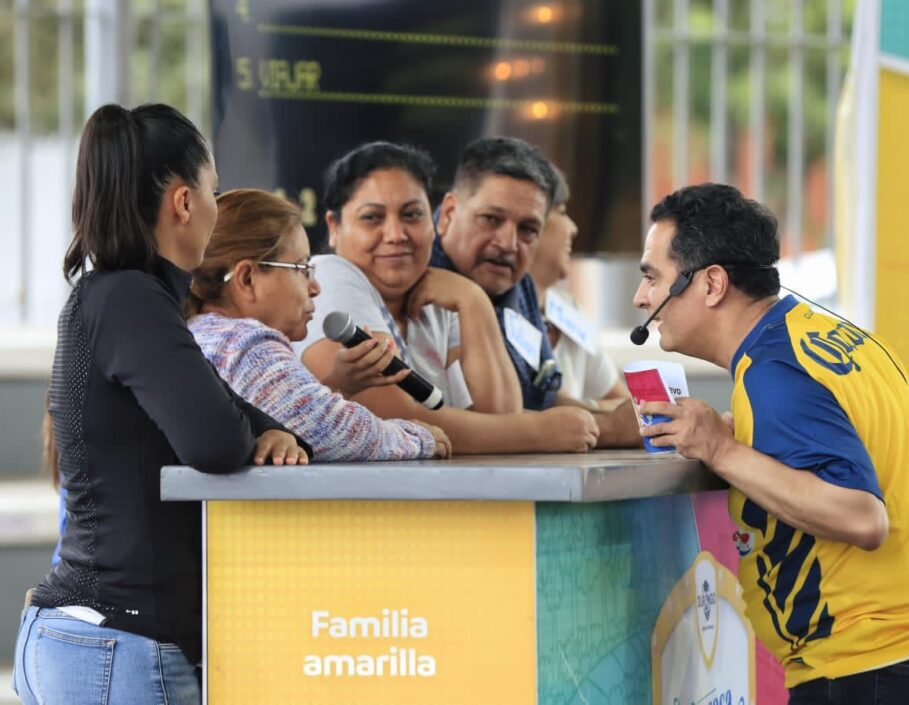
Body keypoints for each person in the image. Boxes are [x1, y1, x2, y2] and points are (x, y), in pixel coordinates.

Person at [632, 183, 909, 703]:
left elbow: (864, 519)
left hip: (874, 670)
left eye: (652, 278)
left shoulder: (774, 372)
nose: (641, 299)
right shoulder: (839, 336)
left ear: (710, 284)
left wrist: (722, 451)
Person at [13, 103, 308, 705]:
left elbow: (227, 409)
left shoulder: (117, 297)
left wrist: (266, 427)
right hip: (116, 646)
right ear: (182, 202)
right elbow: (216, 440)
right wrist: (253, 432)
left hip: (94, 645)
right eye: (214, 192)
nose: (215, 209)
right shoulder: (130, 301)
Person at [297, 141, 599, 453]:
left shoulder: (440, 294)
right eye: (372, 218)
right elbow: (397, 419)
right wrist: (538, 432)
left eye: (412, 215)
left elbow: (498, 416)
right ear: (334, 227)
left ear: (436, 220)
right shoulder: (329, 276)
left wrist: (474, 302)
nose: (396, 234)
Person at [187, 188, 451, 461]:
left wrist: (338, 386)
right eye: (302, 269)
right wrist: (418, 438)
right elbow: (331, 432)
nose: (315, 287)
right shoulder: (243, 342)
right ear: (247, 279)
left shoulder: (202, 333)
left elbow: (288, 418)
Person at [434, 137, 640, 445]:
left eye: (528, 229)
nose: (508, 243)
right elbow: (423, 419)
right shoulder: (407, 281)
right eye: (491, 219)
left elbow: (534, 397)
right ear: (449, 212)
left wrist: (609, 419)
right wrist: (606, 430)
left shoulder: (519, 290)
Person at [527, 166, 630, 411]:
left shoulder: (568, 309)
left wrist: (583, 413)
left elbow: (626, 407)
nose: (572, 227)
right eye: (561, 211)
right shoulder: (485, 309)